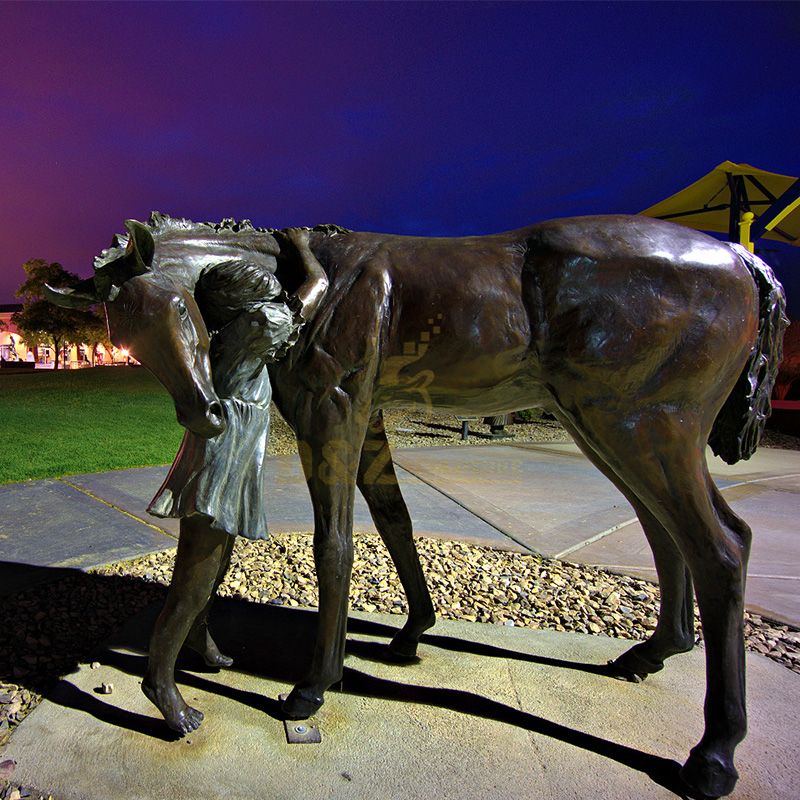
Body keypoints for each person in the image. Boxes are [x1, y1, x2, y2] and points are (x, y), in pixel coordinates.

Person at [142, 228, 328, 733]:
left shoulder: (226, 333)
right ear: (250, 302)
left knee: (219, 558)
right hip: (221, 467)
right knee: (194, 576)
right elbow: (317, 288)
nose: (274, 292)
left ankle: (198, 640)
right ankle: (158, 679)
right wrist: (303, 247)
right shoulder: (261, 323)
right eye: (265, 287)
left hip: (228, 455)